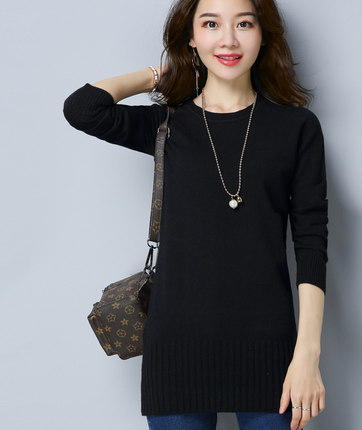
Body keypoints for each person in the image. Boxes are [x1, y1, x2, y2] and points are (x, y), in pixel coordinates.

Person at [63, 0, 328, 429]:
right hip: (176, 351)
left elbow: (312, 241)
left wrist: (307, 355)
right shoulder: (167, 125)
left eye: (244, 24)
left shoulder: (296, 128)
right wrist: (157, 76)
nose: (228, 40)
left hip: (269, 350)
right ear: (191, 38)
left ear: (264, 34)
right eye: (210, 24)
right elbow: (82, 108)